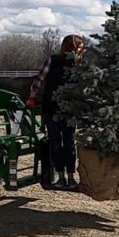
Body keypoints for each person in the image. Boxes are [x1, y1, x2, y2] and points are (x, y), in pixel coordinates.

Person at [27, 34, 85, 189]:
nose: (81, 50)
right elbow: (39, 79)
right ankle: (60, 177)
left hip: (69, 111)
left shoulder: (79, 65)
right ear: (71, 48)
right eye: (79, 47)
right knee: (55, 143)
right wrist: (32, 97)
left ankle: (71, 177)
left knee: (69, 144)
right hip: (51, 109)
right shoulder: (52, 60)